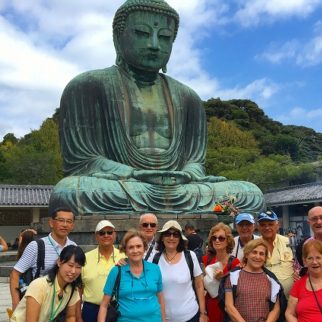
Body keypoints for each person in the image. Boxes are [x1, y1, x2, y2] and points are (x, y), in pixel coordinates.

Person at [48, 0, 265, 215]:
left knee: (250, 193)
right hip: (124, 184)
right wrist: (134, 173)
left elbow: (195, 162)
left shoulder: (188, 97)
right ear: (117, 38)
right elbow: (85, 162)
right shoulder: (88, 86)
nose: (154, 44)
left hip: (181, 187)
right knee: (69, 191)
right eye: (142, 33)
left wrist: (187, 174)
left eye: (164, 37)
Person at [0, 245, 86, 322]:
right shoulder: (40, 285)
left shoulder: (72, 289)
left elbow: (71, 316)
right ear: (59, 262)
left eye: (78, 267)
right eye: (70, 265)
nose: (73, 271)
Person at [96, 229, 167, 322]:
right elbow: (104, 305)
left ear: (144, 248)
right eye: (131, 247)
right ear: (125, 250)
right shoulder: (117, 271)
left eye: (139, 246)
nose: (135, 251)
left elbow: (160, 301)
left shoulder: (155, 269)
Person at [153, 220, 207, 322]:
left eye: (175, 234)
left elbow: (199, 285)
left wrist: (203, 313)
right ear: (162, 237)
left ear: (180, 238)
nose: (171, 238)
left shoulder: (190, 256)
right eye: (168, 234)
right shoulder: (155, 259)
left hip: (188, 319)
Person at [224, 239, 282, 322]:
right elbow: (229, 307)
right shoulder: (234, 276)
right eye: (254, 252)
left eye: (262, 254)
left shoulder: (271, 279)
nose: (257, 256)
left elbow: (276, 309)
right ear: (247, 254)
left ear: (265, 257)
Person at [9, 207, 77, 310]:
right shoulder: (36, 246)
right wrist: (16, 303)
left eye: (69, 221)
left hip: (63, 304)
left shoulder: (73, 246)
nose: (65, 224)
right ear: (51, 223)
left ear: (72, 225)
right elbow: (15, 273)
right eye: (61, 220)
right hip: (38, 304)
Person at [78, 220, 125, 322]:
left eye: (109, 232)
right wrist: (78, 318)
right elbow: (78, 290)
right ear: (96, 236)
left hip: (117, 310)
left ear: (115, 235)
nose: (106, 235)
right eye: (102, 233)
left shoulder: (124, 257)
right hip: (92, 311)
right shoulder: (85, 258)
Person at [257, 209, 297, 322]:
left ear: (277, 225)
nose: (267, 227)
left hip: (290, 307)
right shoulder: (255, 246)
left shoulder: (290, 243)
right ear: (258, 227)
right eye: (263, 224)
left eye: (270, 224)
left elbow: (301, 266)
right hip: (265, 308)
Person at [202, 223, 240, 322]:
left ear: (228, 241)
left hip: (226, 313)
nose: (217, 241)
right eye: (214, 238)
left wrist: (223, 278)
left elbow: (238, 290)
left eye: (221, 238)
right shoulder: (206, 260)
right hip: (209, 312)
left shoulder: (234, 262)